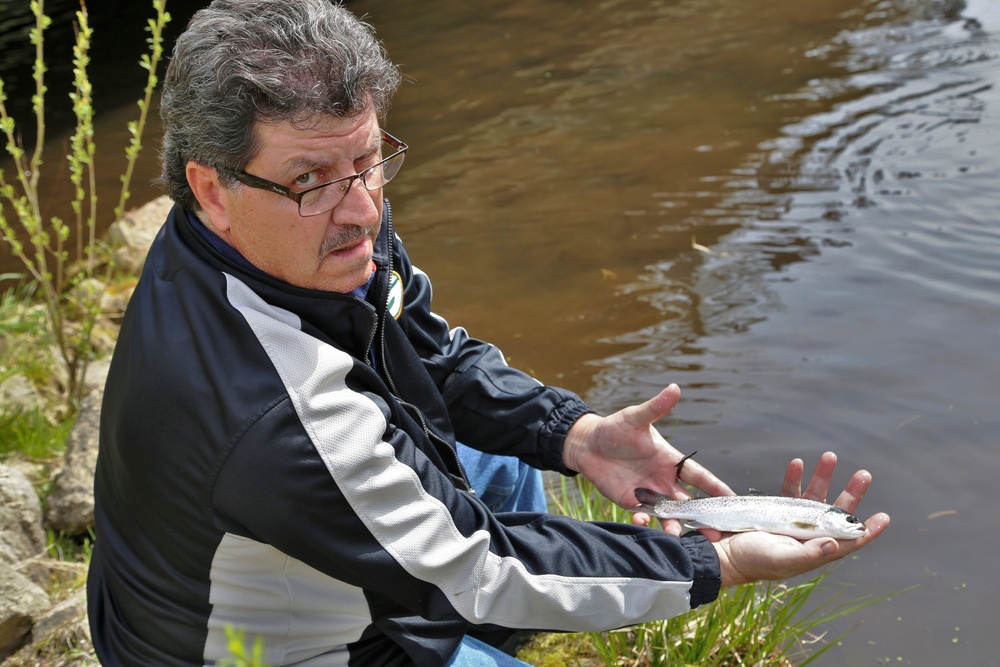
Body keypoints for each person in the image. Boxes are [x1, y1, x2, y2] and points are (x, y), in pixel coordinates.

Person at [86, 1, 890, 665]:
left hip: (263, 562)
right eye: (312, 180)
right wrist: (717, 560)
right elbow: (482, 563)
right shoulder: (272, 415)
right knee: (487, 563)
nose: (363, 209)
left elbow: (423, 349)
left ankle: (476, 626)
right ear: (210, 185)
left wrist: (575, 434)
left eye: (370, 160)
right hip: (256, 652)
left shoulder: (278, 233)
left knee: (508, 469)